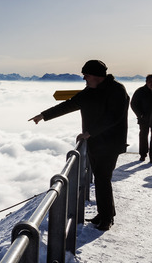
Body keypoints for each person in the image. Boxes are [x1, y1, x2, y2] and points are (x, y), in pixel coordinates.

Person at [29, 60, 129, 231]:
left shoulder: (116, 90)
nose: (84, 78)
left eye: (86, 75)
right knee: (100, 178)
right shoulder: (90, 91)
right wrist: (44, 115)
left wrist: (90, 132)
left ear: (97, 76)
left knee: (103, 178)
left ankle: (106, 218)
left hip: (110, 143)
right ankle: (106, 213)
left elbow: (114, 117)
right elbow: (70, 104)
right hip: (95, 143)